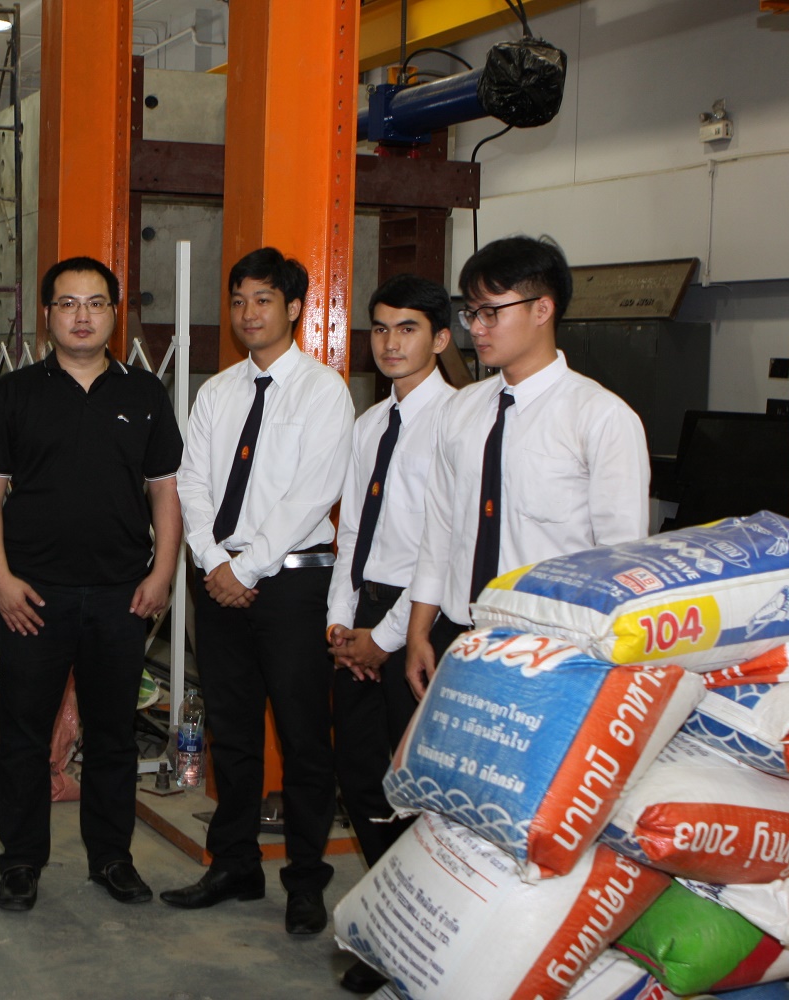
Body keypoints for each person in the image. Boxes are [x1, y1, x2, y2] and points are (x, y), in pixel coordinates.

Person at [0, 255, 183, 912]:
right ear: (47, 315)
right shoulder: (15, 393)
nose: (81, 316)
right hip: (32, 598)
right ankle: (20, 861)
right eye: (67, 303)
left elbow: (165, 492)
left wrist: (163, 573)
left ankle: (112, 858)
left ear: (115, 314)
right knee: (24, 734)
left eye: (95, 303)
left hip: (121, 596)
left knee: (113, 734)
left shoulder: (145, 395)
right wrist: (0, 580)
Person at [164, 247, 355, 937]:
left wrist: (246, 569)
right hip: (218, 581)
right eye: (239, 300)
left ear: (295, 308)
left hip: (293, 586)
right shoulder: (217, 392)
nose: (248, 313)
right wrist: (216, 561)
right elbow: (191, 481)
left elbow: (314, 493)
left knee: (303, 737)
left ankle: (305, 880)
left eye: (264, 299)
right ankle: (235, 864)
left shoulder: (324, 391)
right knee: (233, 731)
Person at [405, 235, 650, 701]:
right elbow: (439, 531)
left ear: (542, 310)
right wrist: (419, 633)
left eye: (491, 313)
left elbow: (619, 561)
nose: (477, 329)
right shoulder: (460, 411)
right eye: (471, 314)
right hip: (457, 636)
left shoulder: (600, 417)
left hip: (551, 650)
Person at [326, 274, 456, 994]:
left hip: (424, 620)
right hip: (364, 614)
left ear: (440, 339)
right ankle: (388, 928)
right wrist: (341, 622)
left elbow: (445, 543)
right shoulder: (370, 423)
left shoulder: (457, 421)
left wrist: (387, 636)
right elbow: (351, 532)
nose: (390, 342)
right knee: (359, 777)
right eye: (380, 328)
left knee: (415, 789)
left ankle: (421, 945)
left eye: (408, 328)